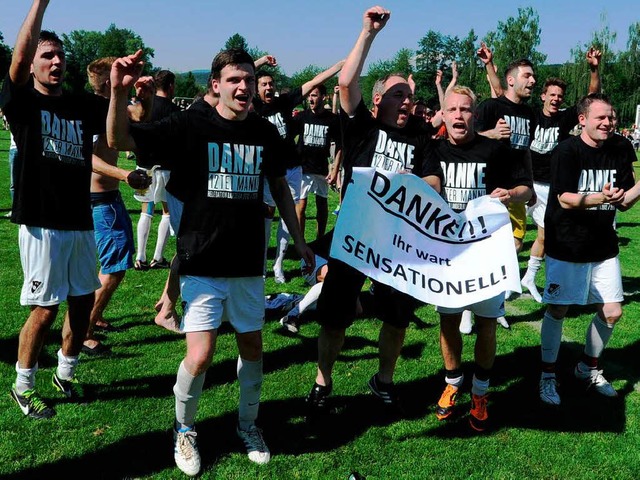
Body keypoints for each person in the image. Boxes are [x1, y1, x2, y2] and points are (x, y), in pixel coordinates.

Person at [107, 48, 314, 476]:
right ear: (215, 85)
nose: (243, 87)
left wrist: (300, 241)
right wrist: (117, 92)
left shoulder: (262, 131)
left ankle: (248, 424)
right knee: (200, 357)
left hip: (246, 267)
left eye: (249, 80)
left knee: (252, 349)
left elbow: (278, 186)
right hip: (201, 263)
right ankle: (184, 429)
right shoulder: (190, 124)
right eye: (234, 80)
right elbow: (120, 140)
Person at [305, 6, 443, 418]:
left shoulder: (420, 138)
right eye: (399, 94)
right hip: (355, 235)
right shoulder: (363, 127)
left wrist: (409, 182)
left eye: (411, 96)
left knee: (398, 317)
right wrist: (368, 33)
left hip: (399, 244)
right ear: (379, 99)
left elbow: (434, 181)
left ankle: (384, 380)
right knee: (334, 316)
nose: (407, 102)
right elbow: (346, 82)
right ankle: (323, 379)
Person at [1, 0, 114, 419]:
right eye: (46, 55)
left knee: (83, 302)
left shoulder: (82, 105)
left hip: (79, 220)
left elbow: (120, 125)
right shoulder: (22, 102)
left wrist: (126, 89)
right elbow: (18, 51)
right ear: (31, 65)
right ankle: (23, 384)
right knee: (45, 310)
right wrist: (40, 3)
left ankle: (65, 374)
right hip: (40, 222)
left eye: (60, 55)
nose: (56, 61)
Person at [427, 85, 532, 431]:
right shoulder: (433, 149)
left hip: (486, 251)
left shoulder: (495, 150)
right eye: (452, 109)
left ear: (475, 114)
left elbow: (526, 190)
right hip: (447, 254)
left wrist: (511, 194)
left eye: (466, 109)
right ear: (443, 114)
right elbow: (421, 186)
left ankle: (481, 392)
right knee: (448, 320)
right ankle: (453, 383)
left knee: (487, 322)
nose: (459, 115)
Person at [538, 93, 637, 406]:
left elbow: (626, 197)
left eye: (611, 117)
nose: (608, 123)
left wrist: (627, 193)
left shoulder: (621, 146)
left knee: (612, 310)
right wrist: (600, 198)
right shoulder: (567, 151)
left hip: (603, 242)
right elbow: (565, 198)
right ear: (582, 120)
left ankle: (587, 368)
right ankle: (547, 376)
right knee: (558, 309)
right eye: (600, 118)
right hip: (566, 241)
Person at [484, 46, 602, 303]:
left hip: (547, 186)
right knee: (508, 239)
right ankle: (496, 286)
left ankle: (528, 277)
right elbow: (501, 94)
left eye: (560, 95)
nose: (557, 99)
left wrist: (594, 69)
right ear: (542, 96)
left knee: (545, 234)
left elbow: (592, 96)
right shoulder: (530, 114)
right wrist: (490, 66)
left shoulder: (565, 118)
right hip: (521, 182)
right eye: (552, 94)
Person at [83, 56, 154, 354]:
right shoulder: (92, 112)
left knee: (113, 265)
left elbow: (140, 117)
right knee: (113, 269)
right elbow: (88, 157)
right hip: (100, 201)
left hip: (111, 199)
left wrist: (145, 98)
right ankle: (82, 331)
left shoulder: (114, 108)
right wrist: (124, 174)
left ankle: (93, 317)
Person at [253, 57, 344, 283]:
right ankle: (263, 265)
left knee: (288, 215)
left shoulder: (283, 102)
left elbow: (314, 81)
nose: (268, 87)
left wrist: (337, 66)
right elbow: (240, 73)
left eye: (271, 84)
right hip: (268, 171)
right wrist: (261, 61)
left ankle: (279, 265)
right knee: (267, 216)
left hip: (293, 169)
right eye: (263, 84)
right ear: (255, 88)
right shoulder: (255, 107)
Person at [476, 53, 536, 256]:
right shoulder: (490, 107)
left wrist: (530, 183)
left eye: (533, 76)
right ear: (511, 80)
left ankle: (502, 285)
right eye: (527, 76)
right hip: (489, 191)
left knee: (516, 243)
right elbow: (467, 141)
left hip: (517, 189)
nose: (533, 81)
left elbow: (525, 150)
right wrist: (491, 134)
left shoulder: (529, 114)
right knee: (485, 246)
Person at [133, 69, 181, 271]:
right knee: (166, 212)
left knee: (146, 210)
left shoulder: (142, 107)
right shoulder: (175, 111)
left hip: (143, 167)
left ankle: (140, 256)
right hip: (166, 169)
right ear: (170, 87)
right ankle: (158, 256)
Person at [292, 84, 343, 240]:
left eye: (314, 95)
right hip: (303, 168)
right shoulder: (301, 117)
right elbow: (288, 137)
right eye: (309, 95)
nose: (310, 98)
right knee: (300, 207)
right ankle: (301, 242)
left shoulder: (332, 119)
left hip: (321, 169)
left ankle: (320, 239)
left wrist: (334, 170)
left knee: (322, 206)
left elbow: (340, 145)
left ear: (323, 97)